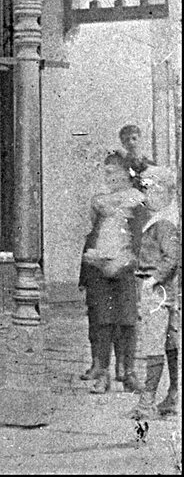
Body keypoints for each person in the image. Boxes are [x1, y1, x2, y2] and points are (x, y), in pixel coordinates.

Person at [80, 153, 147, 394]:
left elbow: (139, 240)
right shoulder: (100, 202)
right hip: (99, 267)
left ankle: (127, 372)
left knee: (127, 320)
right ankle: (102, 372)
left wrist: (123, 262)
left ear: (126, 174)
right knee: (101, 320)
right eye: (105, 173)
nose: (108, 178)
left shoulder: (138, 202)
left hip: (125, 268)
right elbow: (91, 233)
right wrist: (94, 258)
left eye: (112, 173)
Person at [130, 169, 180, 420]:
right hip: (159, 289)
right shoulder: (158, 221)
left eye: (152, 190)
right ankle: (173, 395)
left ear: (168, 193)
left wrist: (153, 279)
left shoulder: (164, 223)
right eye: (146, 189)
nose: (147, 195)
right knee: (170, 342)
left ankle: (147, 400)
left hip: (157, 291)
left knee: (154, 343)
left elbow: (172, 258)